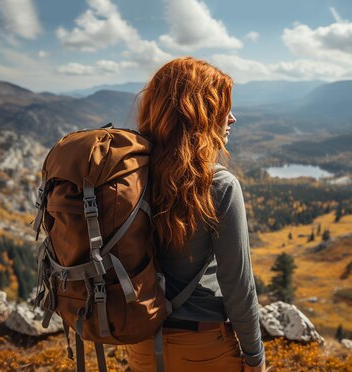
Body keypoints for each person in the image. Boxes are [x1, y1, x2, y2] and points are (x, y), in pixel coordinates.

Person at [126, 57, 266, 372]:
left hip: (141, 344)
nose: (232, 119)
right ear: (199, 114)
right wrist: (255, 358)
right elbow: (238, 286)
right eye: (223, 109)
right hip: (202, 351)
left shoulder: (129, 176)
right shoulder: (218, 185)